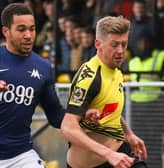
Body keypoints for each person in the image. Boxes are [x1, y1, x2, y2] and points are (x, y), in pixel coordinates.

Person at [0, 3, 99, 168]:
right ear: (6, 31)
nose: (28, 35)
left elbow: (55, 115)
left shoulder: (43, 67)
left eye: (32, 29)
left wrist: (80, 115)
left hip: (21, 155)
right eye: (21, 29)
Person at [61, 16, 148, 168]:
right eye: (114, 45)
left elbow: (110, 109)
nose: (120, 51)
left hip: (120, 154)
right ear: (98, 44)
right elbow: (68, 127)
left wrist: (128, 133)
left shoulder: (116, 68)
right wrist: (109, 154)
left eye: (124, 44)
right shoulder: (90, 77)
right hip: (94, 164)